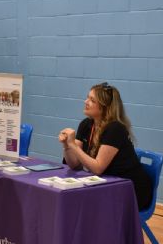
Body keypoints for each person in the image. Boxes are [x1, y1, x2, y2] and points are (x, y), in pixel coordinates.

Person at [58, 82, 152, 210]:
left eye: (92, 100)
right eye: (87, 98)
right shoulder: (86, 124)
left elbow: (98, 168)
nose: (86, 102)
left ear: (105, 107)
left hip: (130, 189)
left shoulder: (115, 129)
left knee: (83, 203)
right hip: (106, 183)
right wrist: (67, 146)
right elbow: (74, 165)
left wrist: (73, 146)